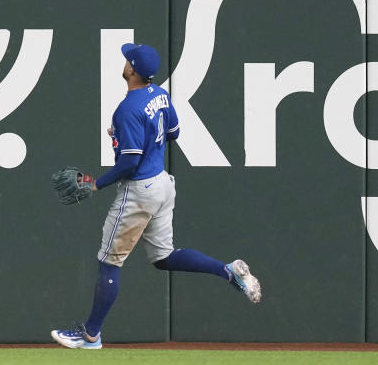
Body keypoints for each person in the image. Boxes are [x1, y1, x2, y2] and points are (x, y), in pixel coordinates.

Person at [50, 41, 261, 350]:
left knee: (109, 263)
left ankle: (90, 335)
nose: (124, 61)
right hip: (162, 183)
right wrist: (127, 136)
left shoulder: (127, 109)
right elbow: (173, 132)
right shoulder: (160, 94)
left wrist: (97, 184)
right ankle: (227, 271)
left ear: (132, 69)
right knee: (164, 257)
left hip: (138, 190)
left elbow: (130, 162)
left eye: (127, 59)